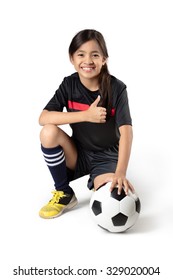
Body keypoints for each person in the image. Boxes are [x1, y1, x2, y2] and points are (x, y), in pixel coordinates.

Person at [38, 29, 134, 219]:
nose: (88, 60)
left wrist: (121, 172)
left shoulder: (117, 88)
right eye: (81, 54)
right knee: (48, 133)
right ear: (72, 58)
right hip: (78, 154)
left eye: (95, 55)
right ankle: (64, 193)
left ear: (104, 59)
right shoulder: (69, 85)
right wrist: (86, 115)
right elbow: (43, 118)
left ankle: (101, 181)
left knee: (114, 197)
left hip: (106, 157)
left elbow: (127, 132)